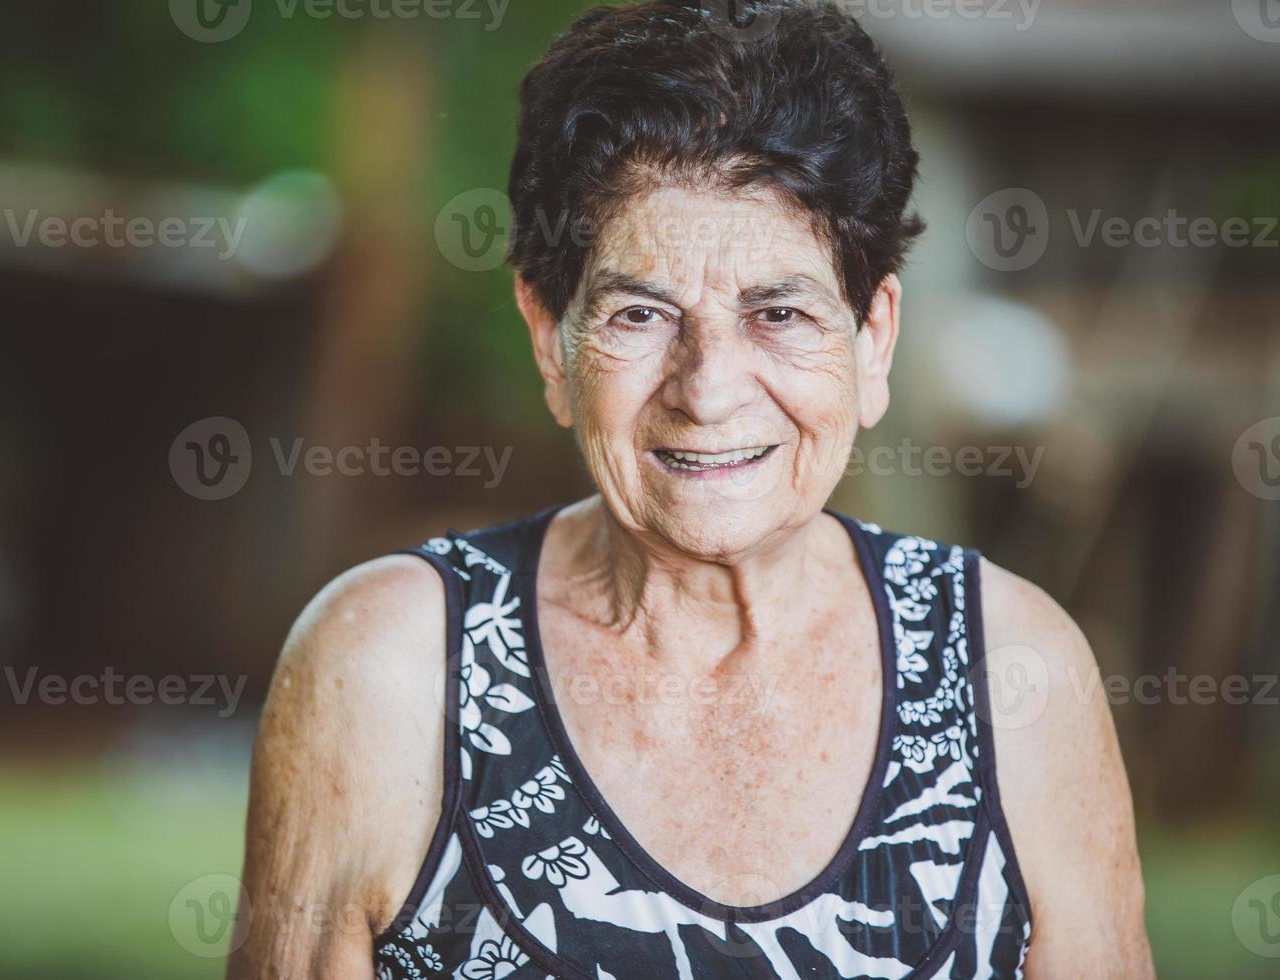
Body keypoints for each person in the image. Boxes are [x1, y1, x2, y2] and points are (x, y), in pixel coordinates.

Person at [228, 1, 1152, 976]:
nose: (707, 389)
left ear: (873, 337)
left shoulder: (1013, 670)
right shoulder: (389, 670)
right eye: (641, 313)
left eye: (781, 312)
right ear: (552, 338)